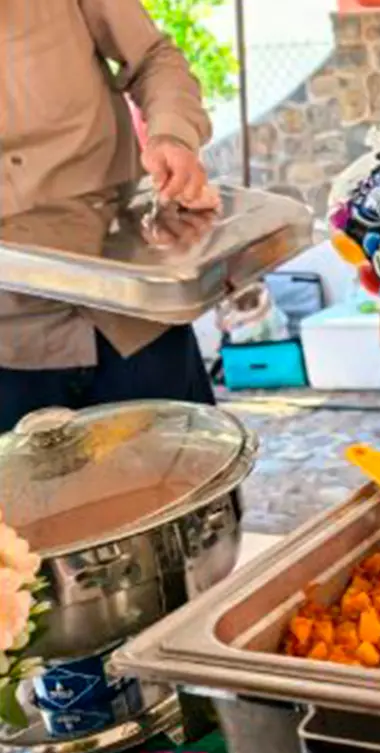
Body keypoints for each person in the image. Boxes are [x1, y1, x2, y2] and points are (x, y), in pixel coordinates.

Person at [0, 0, 218, 433]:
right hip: (11, 347)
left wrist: (172, 136)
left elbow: (155, 60)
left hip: (128, 309)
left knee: (184, 488)